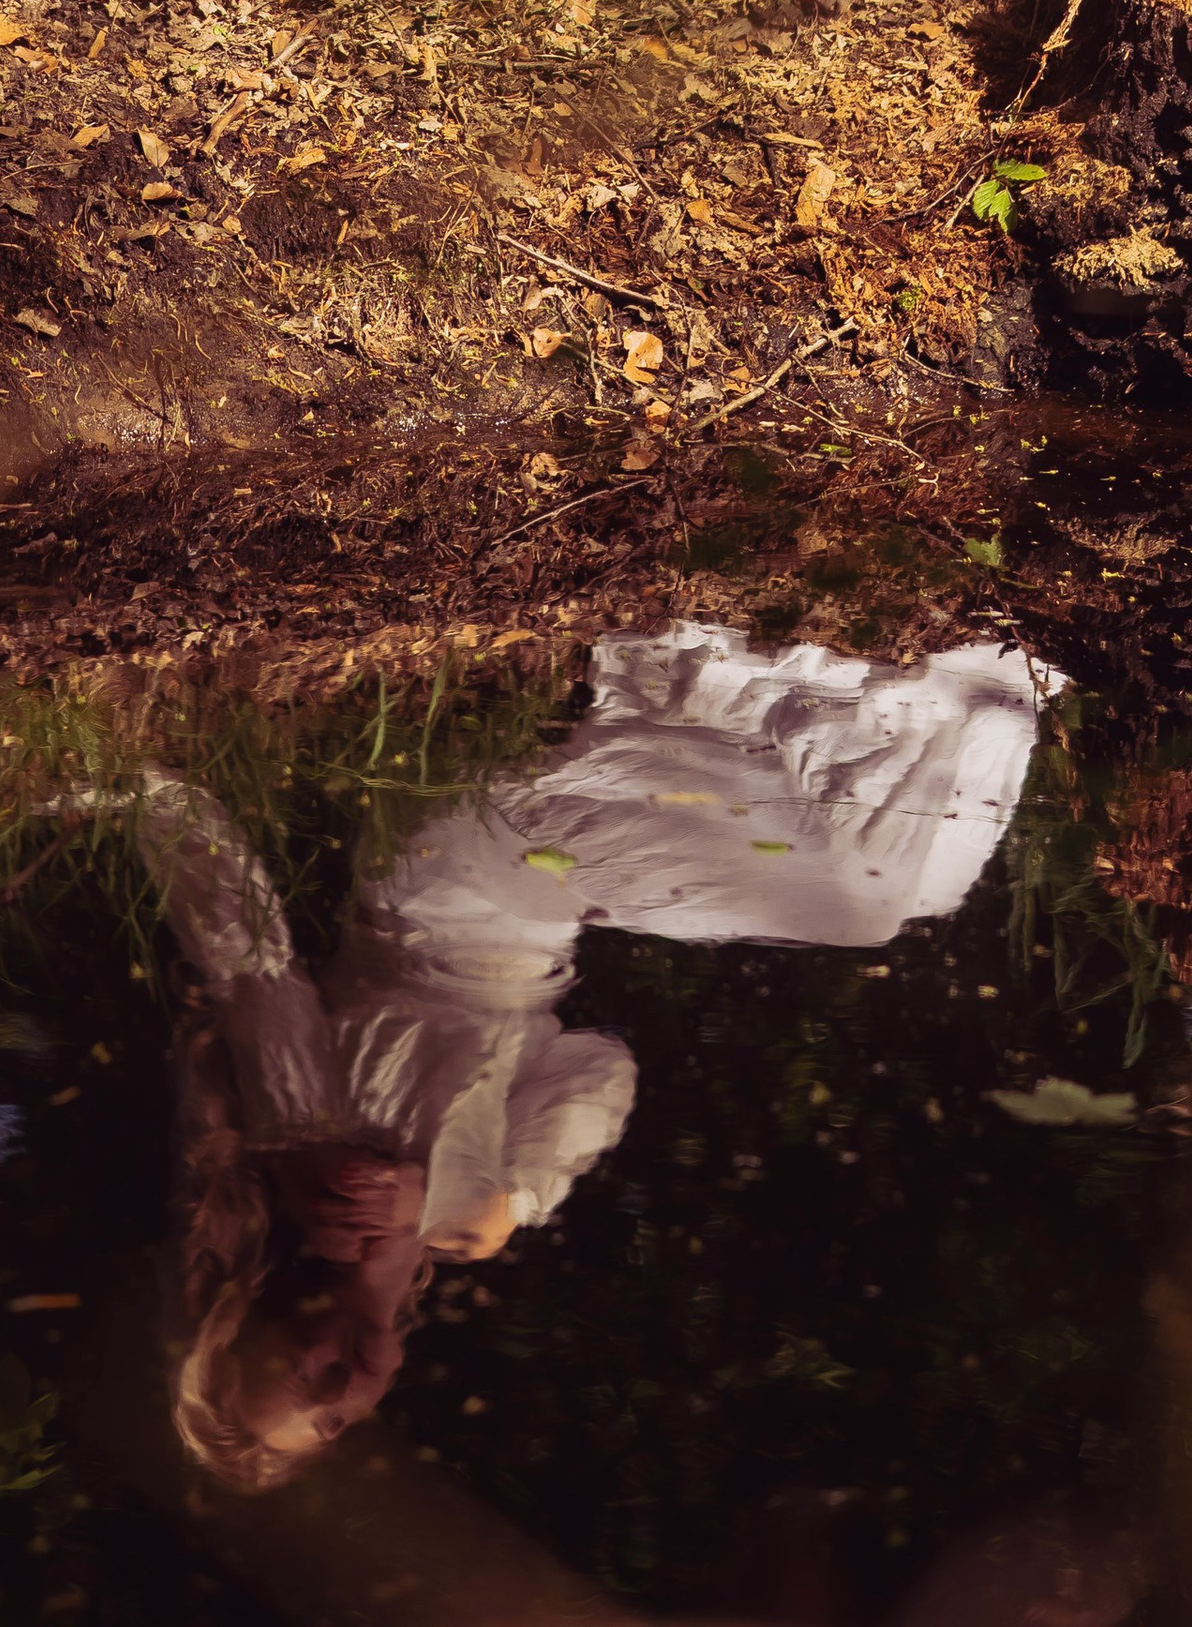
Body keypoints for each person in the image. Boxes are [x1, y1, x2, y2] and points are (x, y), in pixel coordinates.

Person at [145, 620, 1063, 1491]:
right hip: (547, 908)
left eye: (301, 1378)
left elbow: (247, 961)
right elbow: (599, 1066)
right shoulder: (476, 1227)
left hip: (443, 878)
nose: (340, 1384)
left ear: (260, 1314)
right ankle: (977, 690)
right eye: (338, 1418)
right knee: (919, 894)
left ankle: (937, 688)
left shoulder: (305, 1162)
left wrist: (144, 792)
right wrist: (508, 1197)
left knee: (862, 897)